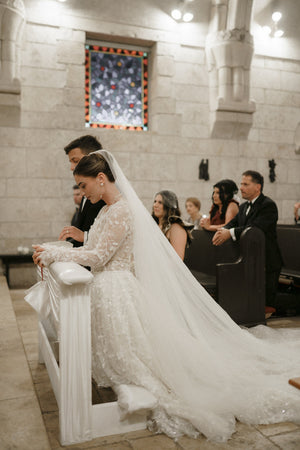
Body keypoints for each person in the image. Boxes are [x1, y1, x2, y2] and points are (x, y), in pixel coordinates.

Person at [32, 152, 300, 443]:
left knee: (143, 363)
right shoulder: (107, 210)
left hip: (117, 288)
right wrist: (64, 248)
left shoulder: (121, 210)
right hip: (108, 287)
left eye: (83, 185)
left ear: (100, 178)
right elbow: (98, 245)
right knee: (128, 357)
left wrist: (55, 252)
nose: (82, 192)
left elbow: (99, 256)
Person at [212, 170, 283, 308]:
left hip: (266, 260)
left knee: (264, 303)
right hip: (249, 258)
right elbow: (233, 222)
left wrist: (230, 232)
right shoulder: (244, 206)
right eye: (241, 184)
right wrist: (224, 230)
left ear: (258, 187)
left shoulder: (268, 205)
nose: (241, 188)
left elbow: (255, 228)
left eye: (245, 184)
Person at [60, 135, 106, 247]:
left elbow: (107, 240)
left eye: (75, 161)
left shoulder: (107, 196)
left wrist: (85, 236)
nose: (71, 167)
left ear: (93, 158)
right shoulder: (87, 192)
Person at [152, 190, 193, 260]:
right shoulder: (154, 225)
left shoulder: (176, 227)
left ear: (168, 206)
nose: (155, 205)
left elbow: (178, 260)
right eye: (155, 201)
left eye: (160, 202)